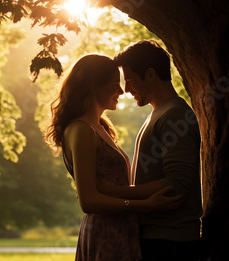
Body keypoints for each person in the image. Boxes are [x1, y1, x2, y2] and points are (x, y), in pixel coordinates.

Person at [44, 54, 183, 261]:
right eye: (114, 84)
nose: (121, 91)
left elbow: (108, 188)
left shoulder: (100, 128)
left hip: (121, 230)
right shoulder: (81, 130)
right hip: (105, 233)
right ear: (93, 85)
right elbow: (88, 201)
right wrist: (145, 205)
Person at [113, 40, 202, 261]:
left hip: (170, 242)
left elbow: (177, 184)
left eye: (130, 81)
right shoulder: (160, 113)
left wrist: (116, 193)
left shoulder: (175, 115)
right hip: (159, 239)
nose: (125, 90)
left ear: (151, 74)